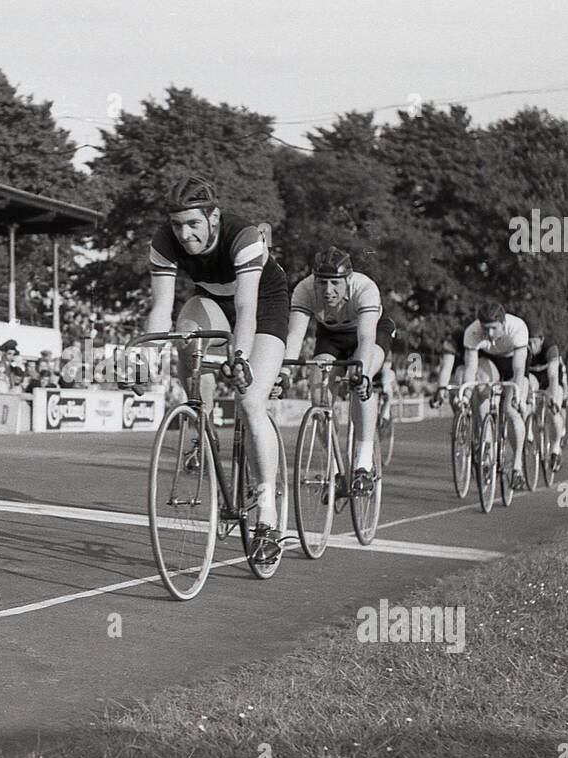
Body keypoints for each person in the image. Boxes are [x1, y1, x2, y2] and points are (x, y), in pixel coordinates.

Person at [143, 174, 290, 560]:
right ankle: (202, 427)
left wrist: (238, 357)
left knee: (251, 402)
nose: (185, 233)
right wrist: (145, 358)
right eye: (177, 225)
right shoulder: (163, 241)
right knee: (185, 333)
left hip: (262, 306)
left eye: (193, 223)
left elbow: (246, 310)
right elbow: (161, 308)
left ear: (214, 217)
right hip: (211, 301)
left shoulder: (243, 236)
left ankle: (269, 517)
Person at [282, 246, 393, 495]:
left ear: (348, 279)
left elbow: (366, 339)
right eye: (322, 283)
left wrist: (362, 374)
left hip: (368, 333)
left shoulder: (365, 288)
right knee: (318, 389)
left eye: (335, 283)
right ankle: (333, 466)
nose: (328, 291)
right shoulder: (304, 290)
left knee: (361, 381)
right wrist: (285, 372)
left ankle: (363, 463)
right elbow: (295, 335)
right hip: (331, 335)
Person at [450, 302, 532, 488]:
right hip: (491, 361)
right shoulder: (472, 331)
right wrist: (465, 395)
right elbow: (471, 369)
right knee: (480, 383)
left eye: (494, 329)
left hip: (514, 362)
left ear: (503, 323)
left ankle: (517, 466)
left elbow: (519, 369)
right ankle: (486, 442)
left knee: (511, 410)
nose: (490, 334)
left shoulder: (517, 327)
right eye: (486, 329)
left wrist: (517, 396)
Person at [525, 319, 568, 474]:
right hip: (534, 377)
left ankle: (556, 447)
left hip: (552, 377)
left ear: (541, 340)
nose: (530, 346)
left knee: (554, 407)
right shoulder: (524, 349)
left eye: (533, 342)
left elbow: (553, 378)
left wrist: (552, 397)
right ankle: (528, 433)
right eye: (527, 342)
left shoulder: (550, 349)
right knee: (527, 390)